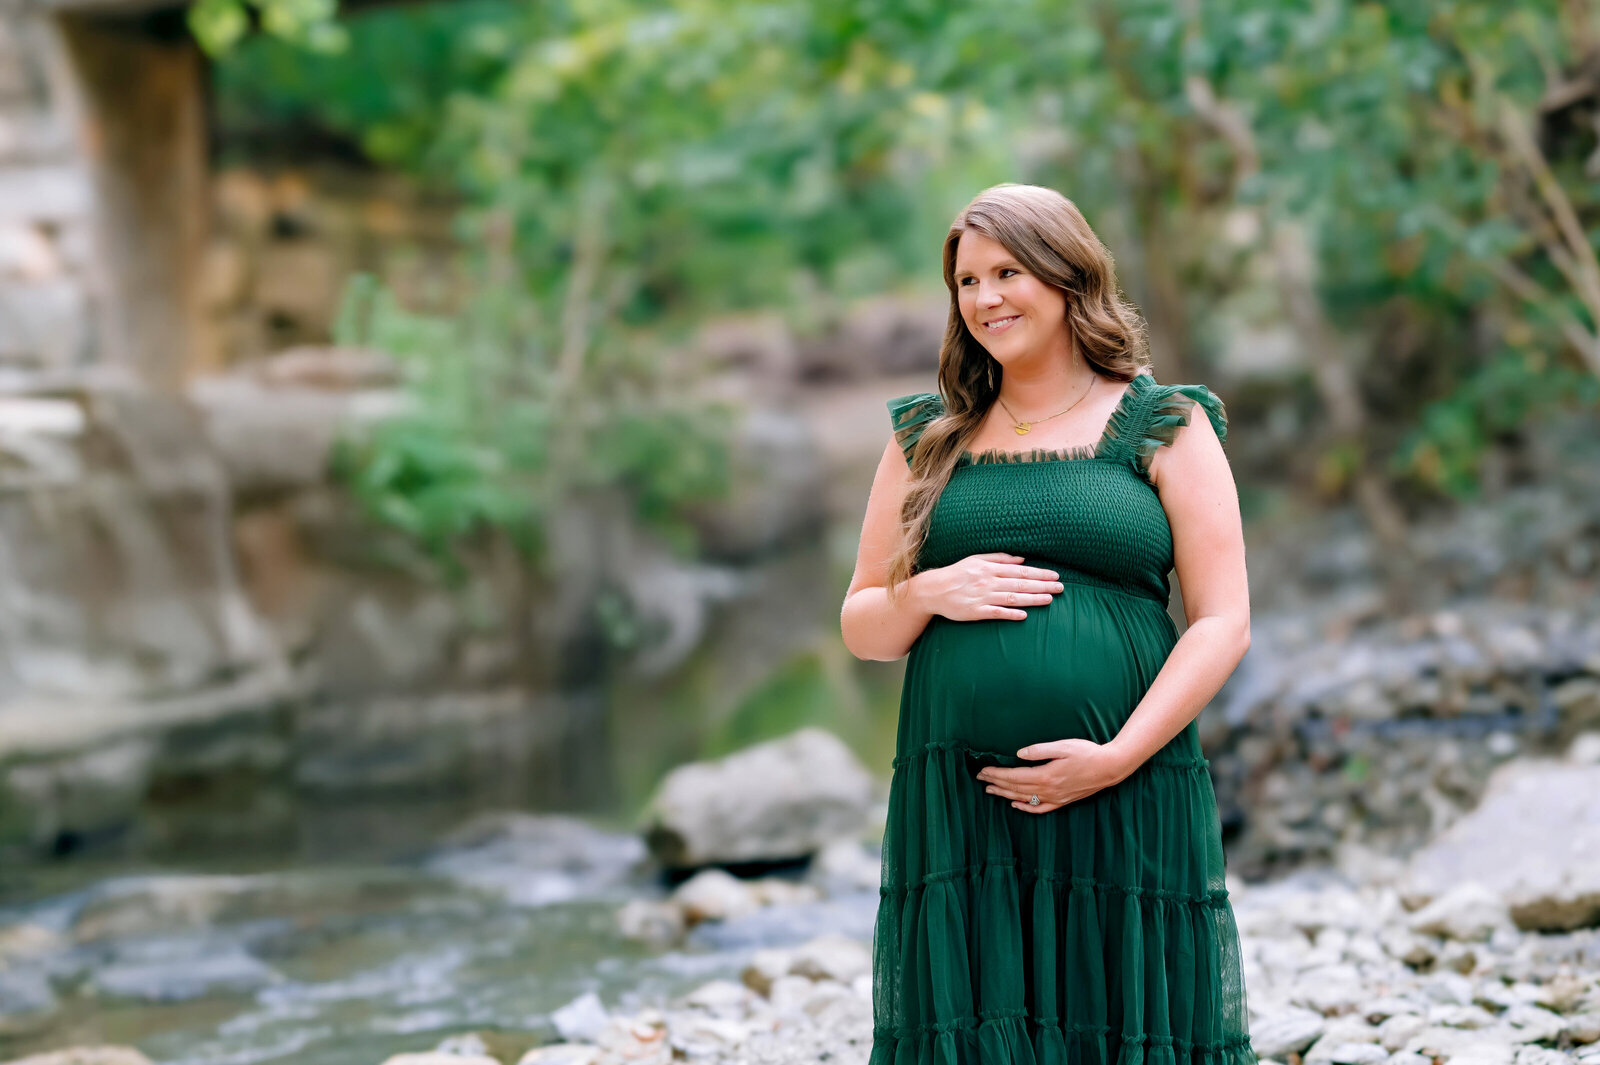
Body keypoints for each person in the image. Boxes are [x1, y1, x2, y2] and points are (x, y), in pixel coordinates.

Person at [840, 183, 1257, 1065]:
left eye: (1008, 272)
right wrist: (925, 594)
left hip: (1125, 778)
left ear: (1069, 277)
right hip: (961, 799)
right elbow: (863, 624)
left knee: (1121, 1012)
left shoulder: (1164, 423)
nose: (986, 298)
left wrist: (1117, 755)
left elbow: (1222, 620)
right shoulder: (927, 438)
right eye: (966, 281)